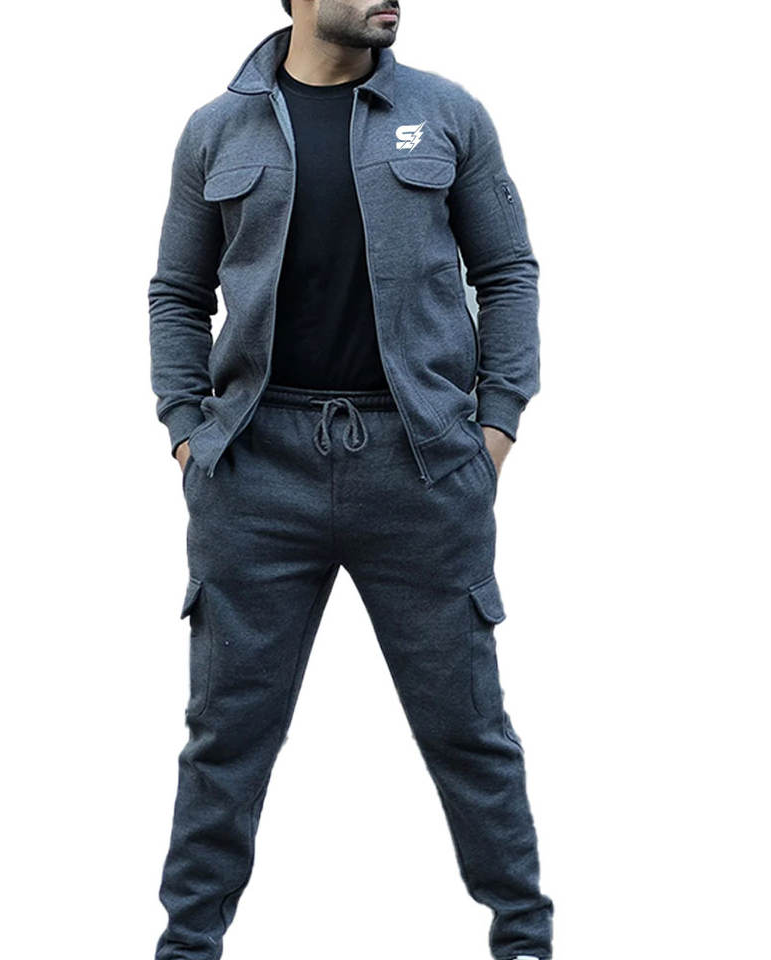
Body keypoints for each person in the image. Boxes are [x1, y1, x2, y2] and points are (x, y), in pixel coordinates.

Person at [147, 2, 553, 958]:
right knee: (226, 739)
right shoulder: (216, 130)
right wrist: (187, 433)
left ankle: (526, 943)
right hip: (256, 471)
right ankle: (187, 948)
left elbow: (508, 273)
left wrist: (494, 427)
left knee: (469, 732)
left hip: (421, 467)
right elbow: (177, 292)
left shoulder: (449, 115)